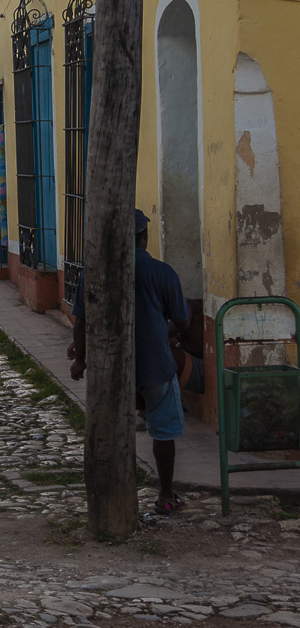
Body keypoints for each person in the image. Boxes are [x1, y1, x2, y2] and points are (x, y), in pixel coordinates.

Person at [68, 209, 191, 516]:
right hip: (155, 365)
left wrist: (80, 359)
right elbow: (183, 321)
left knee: (109, 428)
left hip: (110, 366)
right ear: (143, 237)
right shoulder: (162, 272)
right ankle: (165, 495)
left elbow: (81, 321)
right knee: (163, 430)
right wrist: (162, 331)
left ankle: (109, 493)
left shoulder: (94, 271)